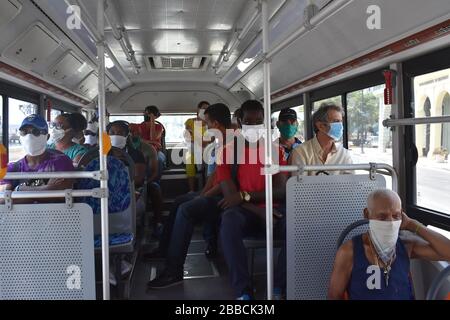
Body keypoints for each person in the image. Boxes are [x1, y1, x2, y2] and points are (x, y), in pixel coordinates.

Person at [145, 103, 232, 289]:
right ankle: (164, 250)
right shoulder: (221, 142)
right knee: (179, 201)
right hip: (216, 192)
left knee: (186, 209)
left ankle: (174, 271)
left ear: (216, 124)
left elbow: (226, 181)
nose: (206, 128)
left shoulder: (232, 143)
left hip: (227, 197)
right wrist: (200, 193)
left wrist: (204, 196)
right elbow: (215, 175)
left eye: (208, 124)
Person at [215, 100, 288, 300]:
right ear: (239, 121)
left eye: (258, 121)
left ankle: (279, 286)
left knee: (297, 222)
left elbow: (281, 191)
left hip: (274, 209)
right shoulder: (227, 152)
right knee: (228, 221)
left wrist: (244, 195)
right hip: (246, 212)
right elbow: (231, 197)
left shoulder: (275, 151)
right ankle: (243, 291)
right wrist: (258, 210)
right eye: (249, 121)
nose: (254, 125)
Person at [328, 189, 450, 300]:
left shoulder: (406, 246)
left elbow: (447, 252)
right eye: (382, 217)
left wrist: (413, 225)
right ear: (367, 214)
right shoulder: (349, 251)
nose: (391, 223)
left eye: (396, 216)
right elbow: (334, 295)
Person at [0, 114, 74, 203]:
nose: (29, 136)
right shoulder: (12, 168)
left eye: (35, 132)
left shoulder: (61, 161)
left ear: (47, 137)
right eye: (24, 132)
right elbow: (3, 200)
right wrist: (46, 189)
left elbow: (61, 195)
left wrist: (19, 189)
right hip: (22, 216)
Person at [289, 103, 352, 175]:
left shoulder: (344, 154)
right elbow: (299, 184)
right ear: (320, 126)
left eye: (341, 122)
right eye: (336, 121)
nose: (340, 126)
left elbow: (351, 183)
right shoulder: (301, 152)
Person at [129, 123, 163, 230]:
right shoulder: (116, 149)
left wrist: (145, 183)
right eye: (130, 132)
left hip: (145, 180)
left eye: (135, 132)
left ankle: (158, 222)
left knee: (155, 188)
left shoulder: (148, 149)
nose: (132, 134)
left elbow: (155, 172)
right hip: (125, 182)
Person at [108, 120, 147, 188]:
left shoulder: (136, 154)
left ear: (126, 136)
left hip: (130, 188)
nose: (116, 135)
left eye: (120, 133)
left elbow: (138, 179)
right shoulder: (103, 154)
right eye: (112, 133)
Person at [184, 101, 211, 192]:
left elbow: (206, 141)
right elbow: (188, 136)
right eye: (203, 108)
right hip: (193, 148)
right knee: (189, 161)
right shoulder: (190, 121)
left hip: (206, 149)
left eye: (207, 108)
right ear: (198, 109)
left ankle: (207, 190)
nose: (205, 110)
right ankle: (192, 191)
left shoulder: (210, 124)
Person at [140, 106, 166, 178]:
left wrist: (152, 120)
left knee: (159, 161)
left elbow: (153, 138)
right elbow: (138, 140)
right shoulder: (139, 126)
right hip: (143, 151)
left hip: (156, 151)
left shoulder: (159, 127)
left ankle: (154, 183)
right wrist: (153, 142)